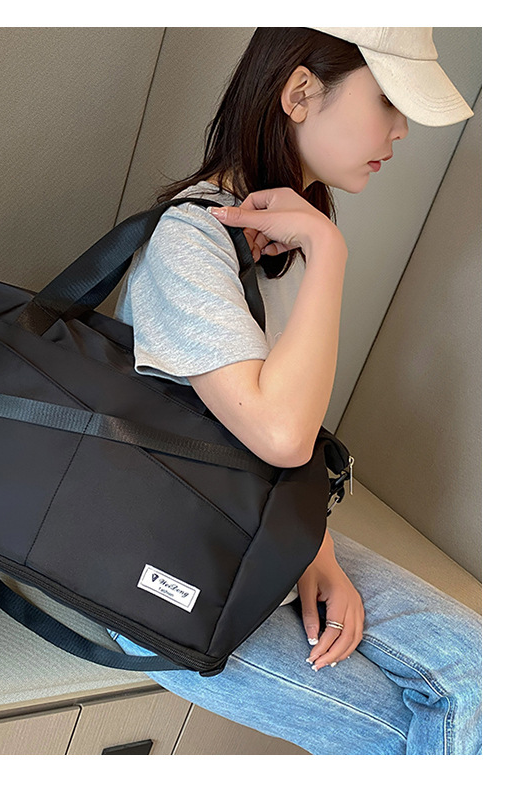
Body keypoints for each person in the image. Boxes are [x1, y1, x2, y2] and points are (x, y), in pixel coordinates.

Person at [106, 27, 481, 756]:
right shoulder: (194, 239)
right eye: (387, 100)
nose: (401, 130)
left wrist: (315, 550)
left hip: (255, 528)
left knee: (485, 675)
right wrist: (330, 253)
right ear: (301, 92)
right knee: (425, 736)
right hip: (159, 568)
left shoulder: (288, 234)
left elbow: (275, 444)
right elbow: (279, 435)